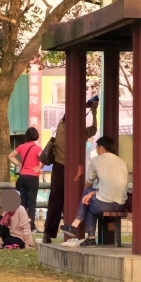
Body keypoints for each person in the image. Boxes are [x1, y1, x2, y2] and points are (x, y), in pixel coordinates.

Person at [44, 101, 98, 242]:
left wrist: (84, 106)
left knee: (55, 201)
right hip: (74, 170)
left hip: (58, 168)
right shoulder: (80, 132)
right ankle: (75, 229)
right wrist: (94, 112)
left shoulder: (60, 127)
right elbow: (94, 128)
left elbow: (66, 117)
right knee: (76, 198)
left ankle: (48, 233)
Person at [60, 136, 128, 247]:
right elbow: (112, 186)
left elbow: (90, 182)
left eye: (97, 147)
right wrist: (92, 193)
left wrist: (87, 192)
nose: (96, 149)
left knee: (86, 195)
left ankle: (77, 227)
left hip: (104, 204)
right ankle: (84, 233)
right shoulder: (122, 162)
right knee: (89, 199)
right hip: (121, 204)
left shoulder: (96, 160)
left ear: (101, 147)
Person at [9, 127, 43, 231]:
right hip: (33, 177)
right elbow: (44, 158)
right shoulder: (37, 148)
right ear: (36, 136)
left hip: (22, 176)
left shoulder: (21, 147)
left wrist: (19, 163)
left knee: (22, 203)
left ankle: (21, 225)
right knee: (31, 203)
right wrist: (40, 167)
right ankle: (30, 226)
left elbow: (10, 156)